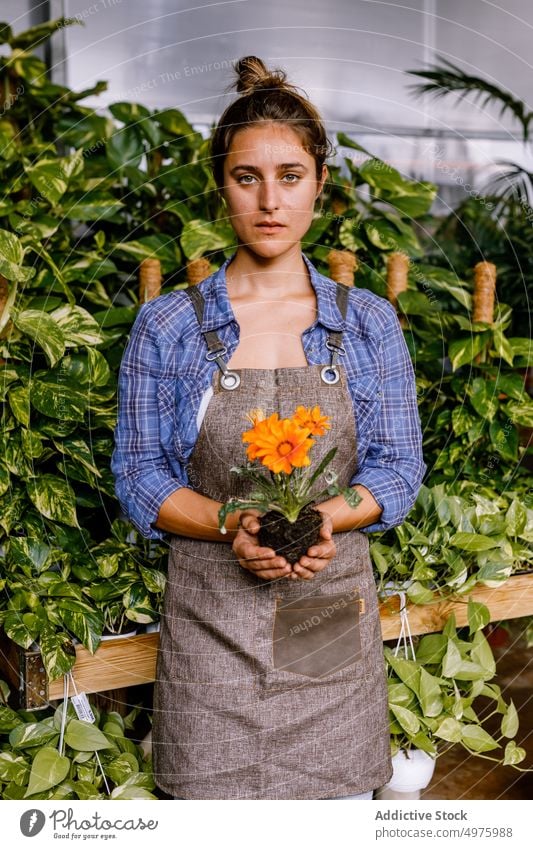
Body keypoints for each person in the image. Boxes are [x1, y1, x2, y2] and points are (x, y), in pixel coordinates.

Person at [111, 55, 426, 800]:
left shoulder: (368, 323)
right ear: (221, 187)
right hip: (211, 621)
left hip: (324, 622)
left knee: (335, 809)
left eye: (290, 175)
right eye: (246, 177)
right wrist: (233, 524)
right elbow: (140, 475)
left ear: (320, 181)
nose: (269, 201)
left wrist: (318, 517)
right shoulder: (168, 327)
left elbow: (396, 467)